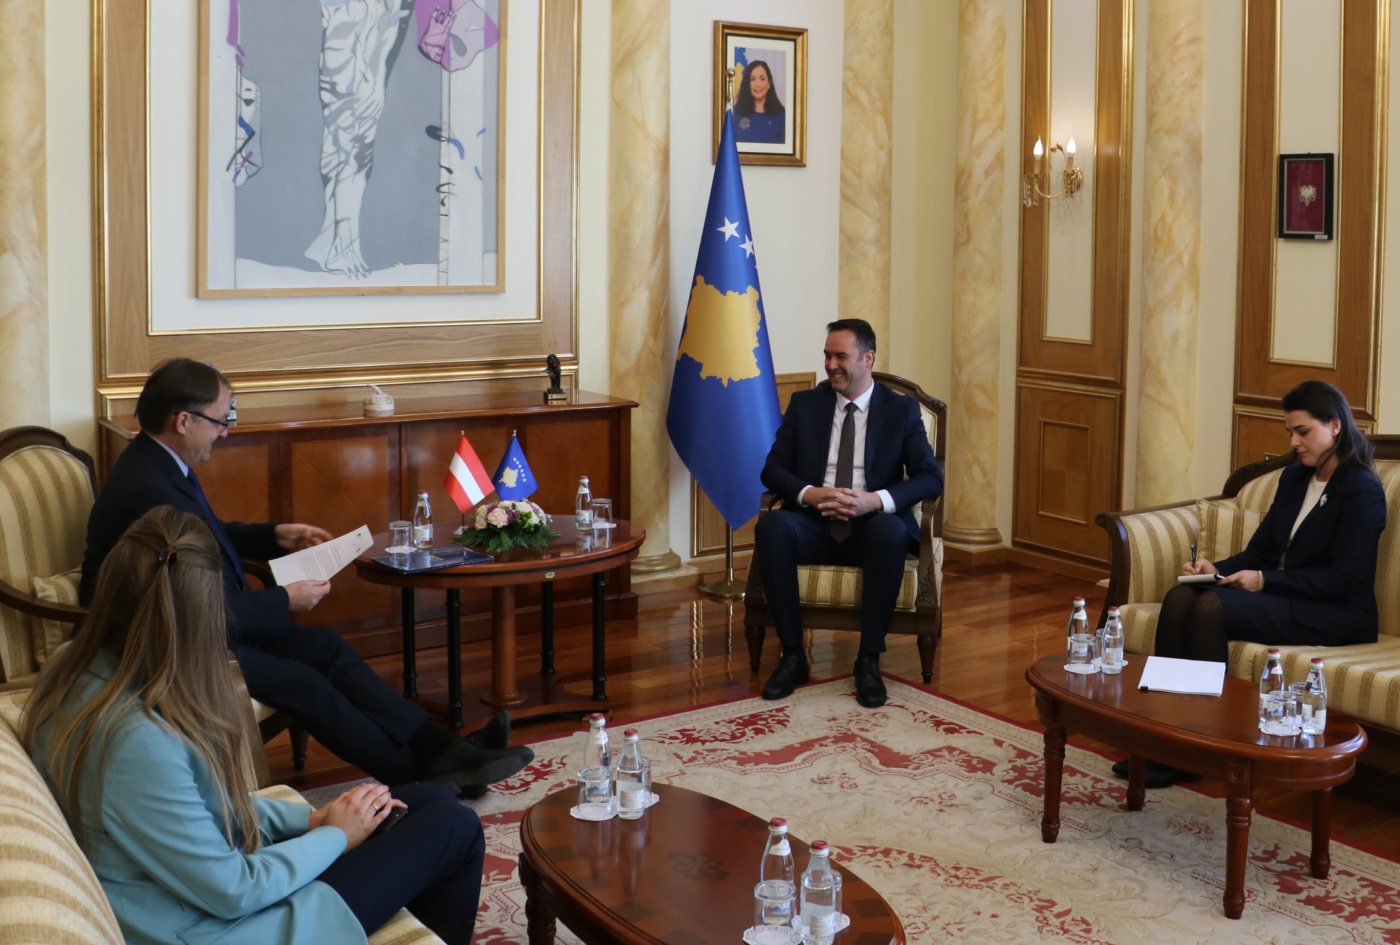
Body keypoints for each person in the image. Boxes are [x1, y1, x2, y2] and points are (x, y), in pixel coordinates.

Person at [26, 506, 486, 945]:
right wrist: (335, 835)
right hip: (224, 929)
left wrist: (313, 818)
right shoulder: (137, 742)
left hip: (196, 898)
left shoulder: (71, 666)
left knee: (428, 799)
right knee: (455, 827)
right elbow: (234, 891)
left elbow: (200, 808)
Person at [80, 358, 530, 796]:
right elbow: (184, 604)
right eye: (221, 420)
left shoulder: (159, 464)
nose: (226, 431)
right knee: (304, 683)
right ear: (183, 421)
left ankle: (443, 751)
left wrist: (274, 535)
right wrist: (284, 600)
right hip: (167, 642)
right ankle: (419, 777)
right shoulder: (148, 489)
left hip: (205, 622)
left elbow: (205, 536)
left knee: (326, 648)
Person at [1118, 379, 1386, 787]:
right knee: (1183, 595)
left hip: (1336, 612)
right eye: (1290, 432)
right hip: (1287, 595)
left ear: (1335, 426)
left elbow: (1346, 578)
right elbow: (1261, 550)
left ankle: (1205, 746)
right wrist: (1214, 569)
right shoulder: (1295, 477)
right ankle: (1165, 741)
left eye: (1303, 432)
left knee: (1210, 607)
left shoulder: (1361, 489)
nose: (1294, 443)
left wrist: (1264, 581)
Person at [753, 319, 943, 707]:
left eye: (841, 356)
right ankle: (793, 656)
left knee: (890, 532)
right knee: (773, 525)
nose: (831, 365)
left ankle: (868, 660)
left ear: (867, 358)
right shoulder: (806, 405)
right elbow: (773, 469)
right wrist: (811, 494)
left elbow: (930, 478)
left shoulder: (901, 410)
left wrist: (875, 500)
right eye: (827, 356)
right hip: (814, 524)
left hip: (871, 527)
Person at [734, 60, 785, 145]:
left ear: (769, 83)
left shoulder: (781, 115)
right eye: (752, 79)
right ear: (747, 83)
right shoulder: (735, 112)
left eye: (762, 79)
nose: (757, 85)